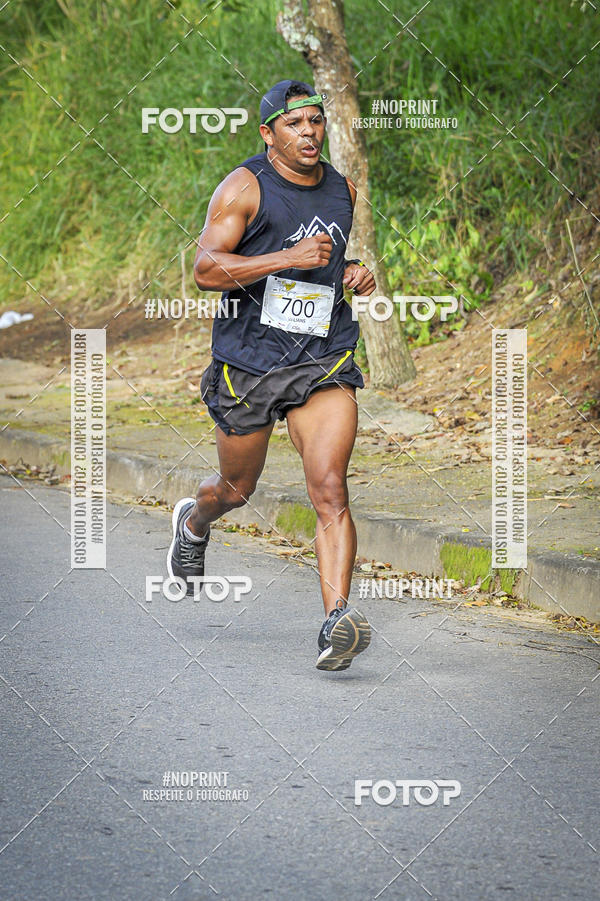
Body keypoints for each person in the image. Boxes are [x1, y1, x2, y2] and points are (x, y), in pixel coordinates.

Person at [167, 79, 376, 671]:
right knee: (236, 490)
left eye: (315, 121)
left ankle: (337, 621)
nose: (309, 132)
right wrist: (286, 258)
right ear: (269, 134)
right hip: (249, 362)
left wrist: (358, 273)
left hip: (322, 356)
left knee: (331, 489)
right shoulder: (244, 187)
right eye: (294, 124)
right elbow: (206, 268)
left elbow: (332, 262)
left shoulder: (342, 189)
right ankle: (195, 519)